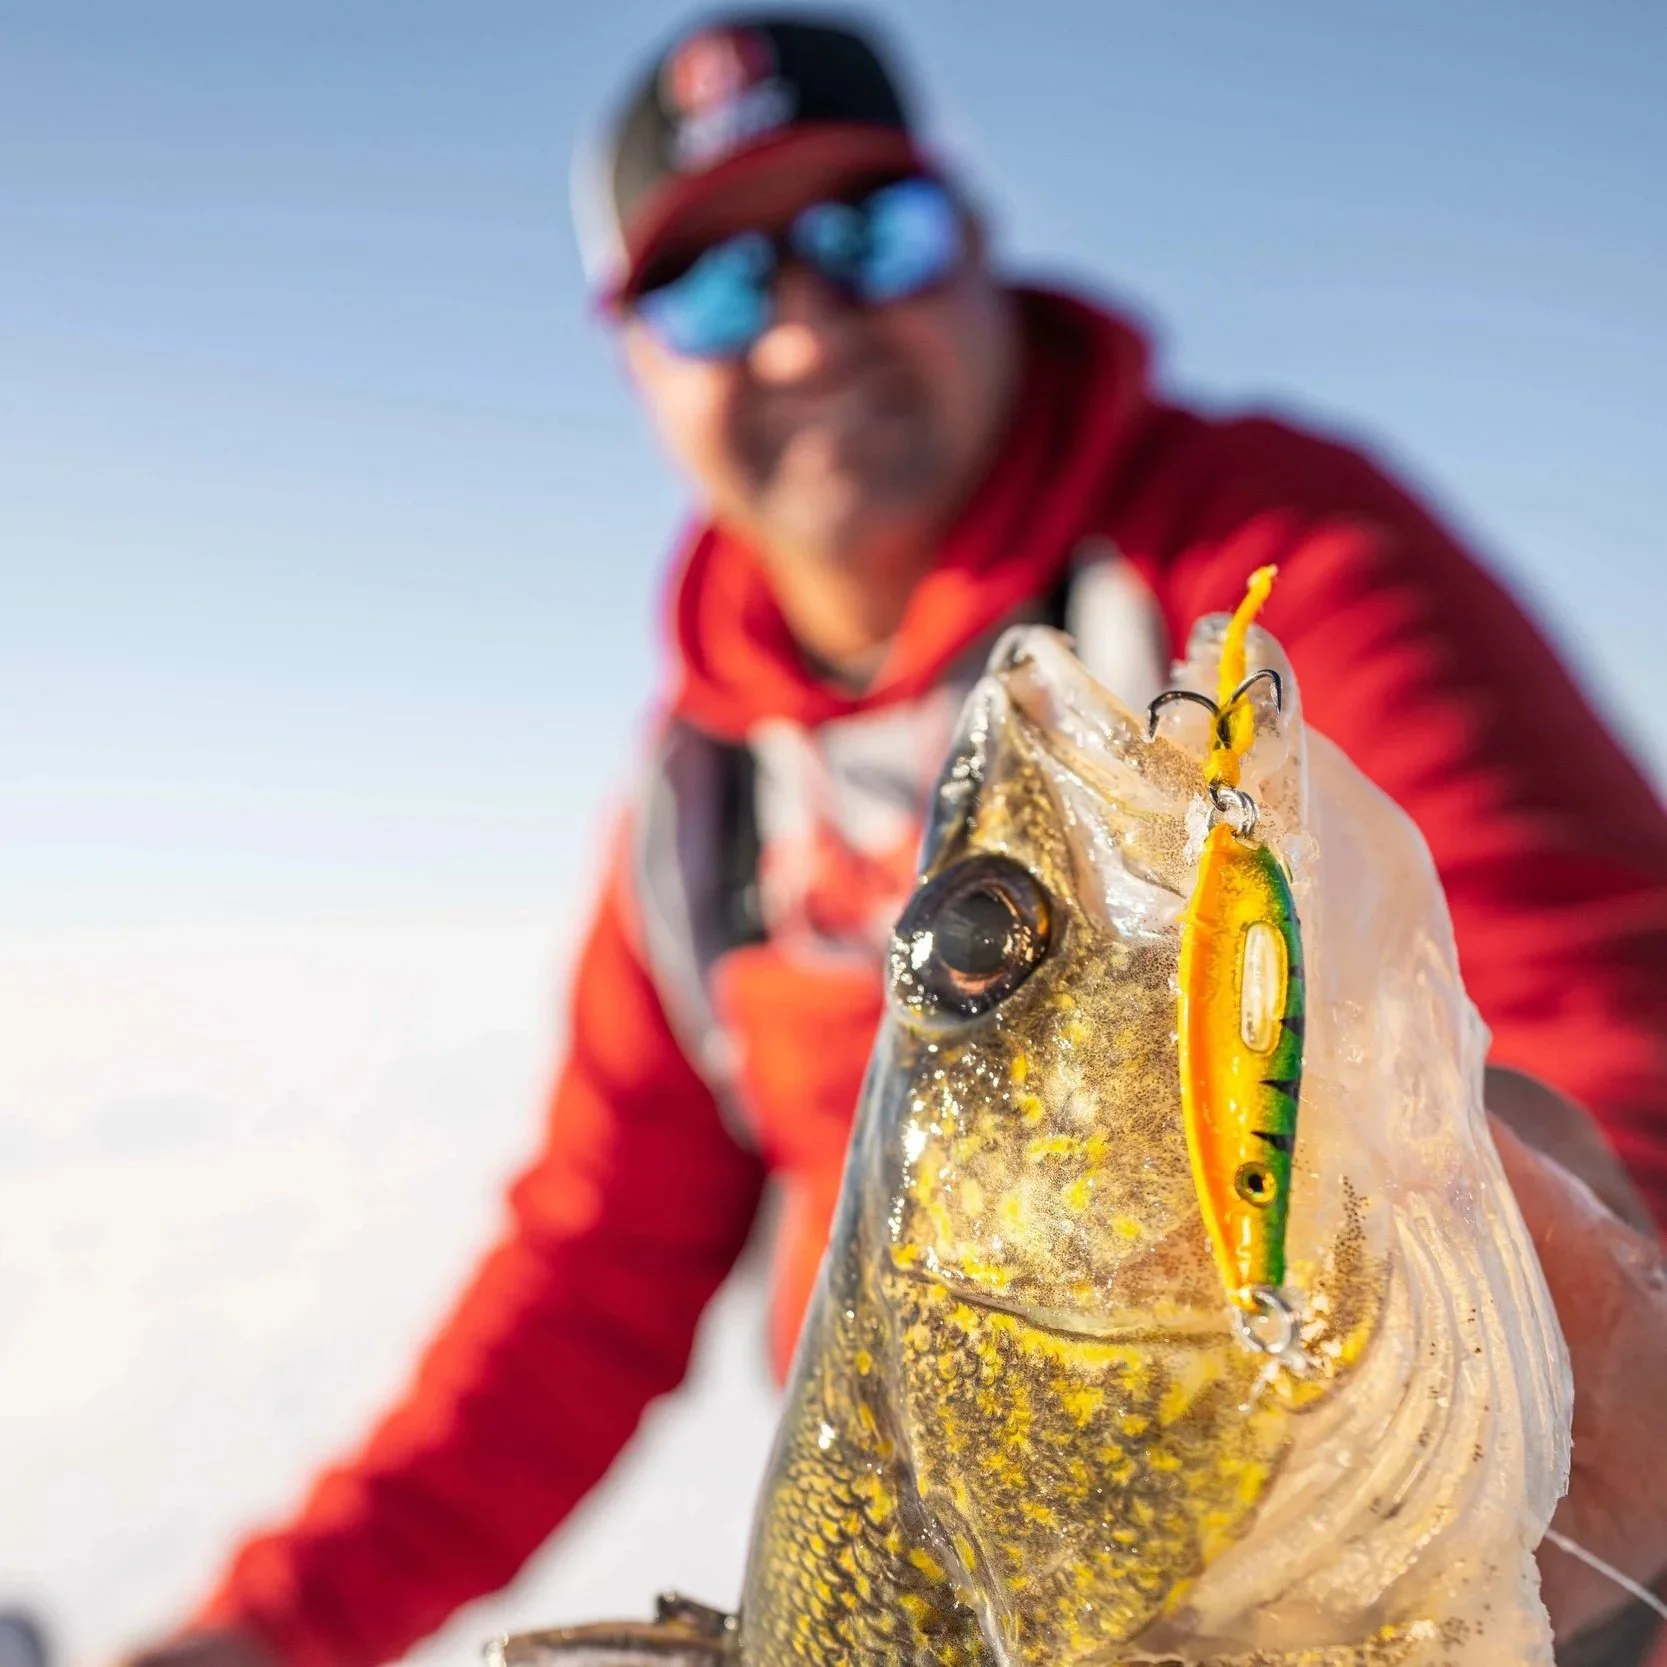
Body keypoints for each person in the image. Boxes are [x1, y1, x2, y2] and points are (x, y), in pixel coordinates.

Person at [120, 12, 1667, 1667]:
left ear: (978, 243)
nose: (801, 330)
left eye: (865, 235)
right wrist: (258, 1636)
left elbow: (1613, 1040)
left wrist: (1546, 1377)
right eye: (710, 287)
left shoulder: (1262, 568)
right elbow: (583, 1289)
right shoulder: (699, 806)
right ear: (636, 366)